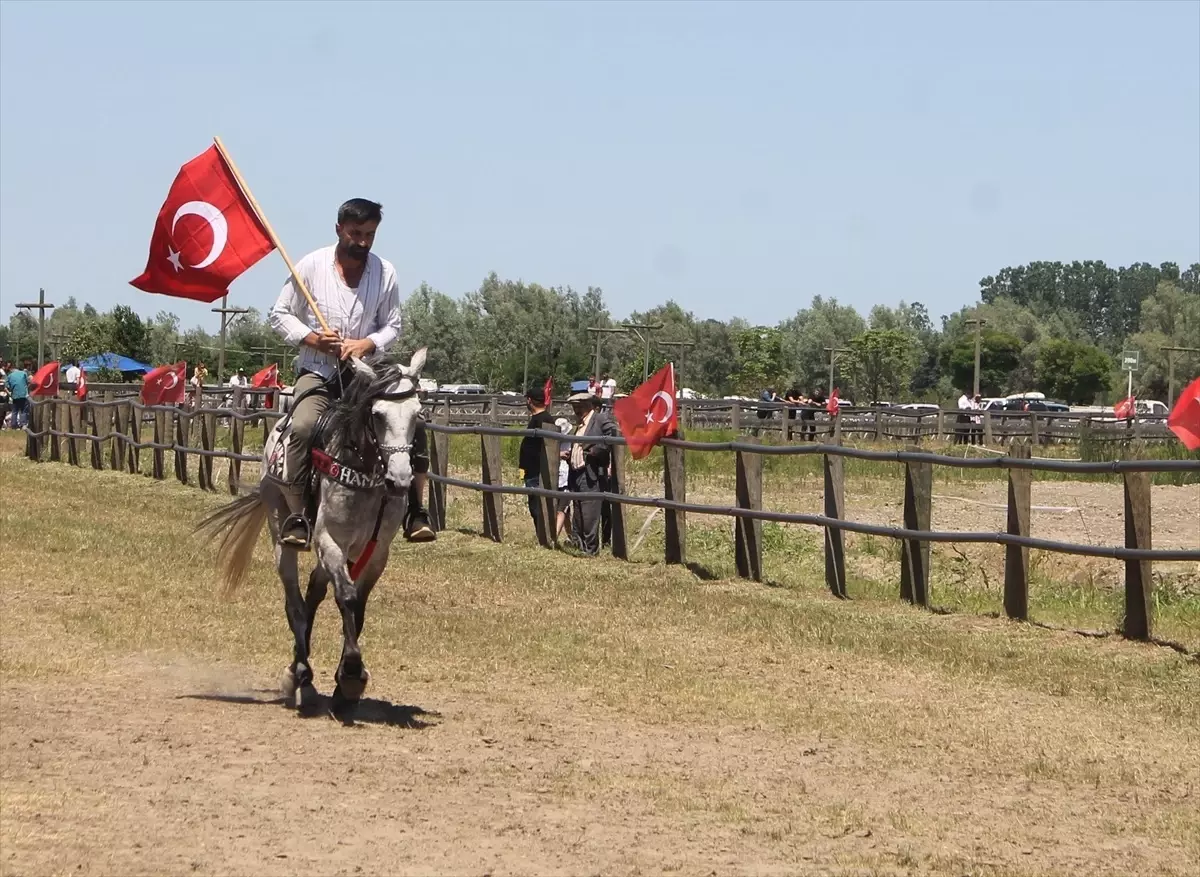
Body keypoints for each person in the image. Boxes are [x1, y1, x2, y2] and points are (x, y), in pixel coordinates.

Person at [268, 197, 434, 549]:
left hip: (368, 377)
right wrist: (315, 339)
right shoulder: (310, 266)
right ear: (339, 229)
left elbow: (393, 325)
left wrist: (367, 344)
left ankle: (417, 510)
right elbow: (279, 315)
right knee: (302, 427)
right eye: (356, 233)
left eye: (370, 235)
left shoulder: (385, 272)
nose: (362, 242)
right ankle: (298, 515)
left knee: (413, 425)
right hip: (319, 372)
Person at [565, 389, 619, 556]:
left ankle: (591, 550)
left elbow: (613, 434)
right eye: (574, 407)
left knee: (590, 514)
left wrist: (598, 450)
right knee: (578, 514)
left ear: (588, 405)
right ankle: (580, 547)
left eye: (579, 406)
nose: (576, 410)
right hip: (576, 473)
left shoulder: (600, 419)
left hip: (592, 473)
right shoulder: (579, 424)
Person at [519, 382, 557, 525]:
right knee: (534, 505)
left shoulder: (544, 420)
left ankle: (543, 536)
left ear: (530, 400)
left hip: (537, 471)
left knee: (538, 507)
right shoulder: (537, 419)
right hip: (531, 471)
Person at [4, 361, 31, 429]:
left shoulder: (9, 376)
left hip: (15, 396)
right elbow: (28, 383)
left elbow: (5, 387)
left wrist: (10, 394)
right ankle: (23, 425)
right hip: (23, 395)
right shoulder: (23, 373)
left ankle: (13, 425)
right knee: (23, 410)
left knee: (15, 411)